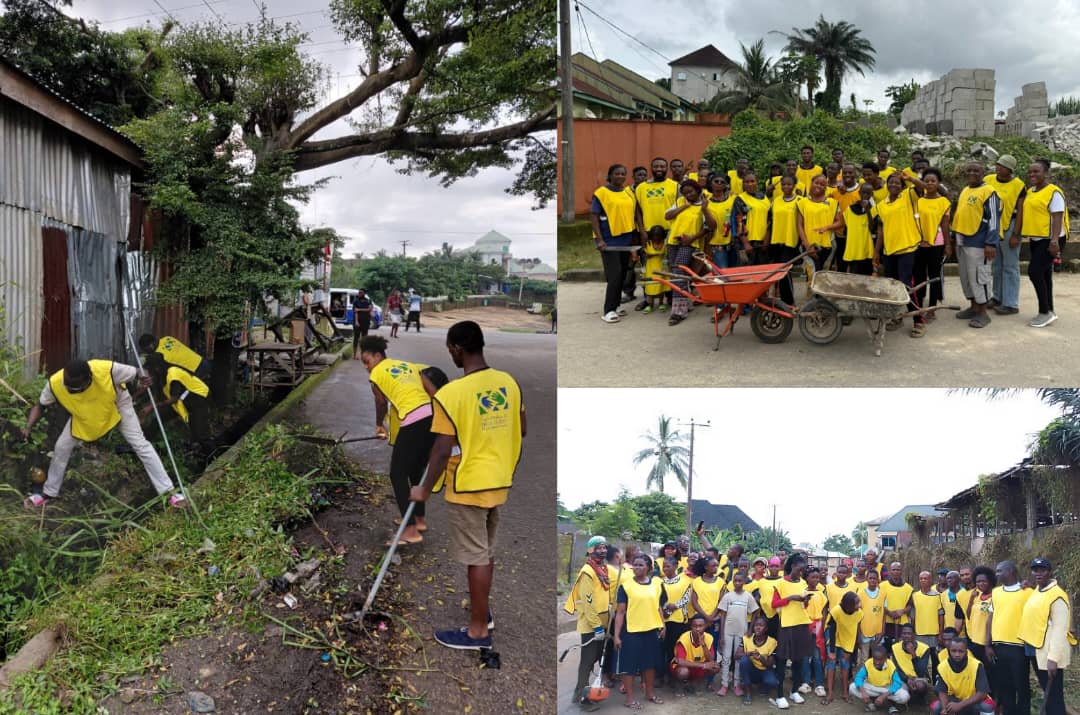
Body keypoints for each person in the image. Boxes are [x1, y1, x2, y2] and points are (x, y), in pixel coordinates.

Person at [410, 321, 524, 651]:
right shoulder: (509, 383)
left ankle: (476, 632)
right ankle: (482, 612)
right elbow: (522, 427)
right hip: (498, 482)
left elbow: (442, 449)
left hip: (467, 486)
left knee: (477, 558)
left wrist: (424, 490)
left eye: (450, 350)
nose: (451, 355)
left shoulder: (451, 394)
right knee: (484, 553)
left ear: (457, 349)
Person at [21, 359, 186, 509]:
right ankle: (49, 493)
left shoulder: (105, 369)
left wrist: (145, 376)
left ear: (89, 378)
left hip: (117, 404)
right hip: (85, 414)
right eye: (68, 386)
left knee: (140, 444)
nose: (70, 390)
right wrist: (28, 427)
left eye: (76, 387)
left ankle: (169, 493)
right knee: (61, 448)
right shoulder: (55, 383)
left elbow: (137, 371)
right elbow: (40, 406)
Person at [359, 335, 432, 545]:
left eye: (367, 361)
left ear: (378, 356)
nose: (366, 367)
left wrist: (379, 425)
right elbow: (429, 389)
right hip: (431, 416)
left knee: (397, 473)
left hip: (414, 419)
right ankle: (418, 520)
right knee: (415, 470)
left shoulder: (377, 374)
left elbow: (381, 403)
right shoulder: (407, 365)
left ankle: (410, 531)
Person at [565, 535, 618, 712]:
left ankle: (579, 692)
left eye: (604, 547)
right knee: (587, 661)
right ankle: (582, 697)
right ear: (590, 550)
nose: (602, 550)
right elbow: (587, 603)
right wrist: (596, 626)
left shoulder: (603, 570)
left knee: (596, 658)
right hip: (591, 623)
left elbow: (608, 592)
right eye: (598, 547)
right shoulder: (587, 572)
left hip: (604, 619)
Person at [1018, 558, 1075, 715]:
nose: (1038, 573)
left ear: (1049, 572)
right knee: (1047, 692)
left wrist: (1053, 659)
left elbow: (1060, 629)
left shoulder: (1057, 595)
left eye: (1042, 570)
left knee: (1053, 696)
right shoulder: (1039, 590)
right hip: (1035, 649)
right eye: (1035, 570)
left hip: (1048, 653)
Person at [950, 162, 1002, 329]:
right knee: (966, 276)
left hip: (979, 242)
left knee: (980, 277)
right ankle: (973, 306)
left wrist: (991, 243)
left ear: (984, 173)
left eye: (976, 170)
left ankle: (983, 313)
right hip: (962, 239)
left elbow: (994, 219)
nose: (971, 173)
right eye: (969, 170)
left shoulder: (990, 192)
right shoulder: (966, 189)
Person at [873, 173, 925, 337]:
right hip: (889, 250)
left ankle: (918, 320)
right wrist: (876, 252)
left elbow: (923, 187)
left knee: (906, 284)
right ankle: (897, 316)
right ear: (887, 185)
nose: (894, 185)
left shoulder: (908, 196)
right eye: (891, 183)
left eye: (897, 183)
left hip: (907, 248)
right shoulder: (882, 205)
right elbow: (881, 231)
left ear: (902, 186)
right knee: (892, 285)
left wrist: (910, 178)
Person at [612, 553, 666, 708]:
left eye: (641, 565)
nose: (637, 567)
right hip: (631, 632)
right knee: (629, 666)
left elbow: (658, 607)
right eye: (635, 564)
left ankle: (649, 693)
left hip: (651, 630)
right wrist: (616, 636)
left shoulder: (656, 584)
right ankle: (629, 699)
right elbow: (620, 612)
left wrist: (663, 625)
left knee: (649, 665)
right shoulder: (626, 586)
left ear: (649, 568)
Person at [591, 164, 639, 324]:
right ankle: (608, 311)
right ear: (610, 175)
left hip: (625, 239)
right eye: (617, 174)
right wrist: (599, 239)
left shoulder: (628, 193)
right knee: (615, 275)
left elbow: (634, 214)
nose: (620, 176)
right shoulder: (601, 193)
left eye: (623, 174)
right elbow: (594, 216)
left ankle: (616, 305)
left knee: (623, 273)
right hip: (608, 240)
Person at [140, 354, 212, 460]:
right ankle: (143, 442)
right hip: (181, 401)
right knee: (159, 418)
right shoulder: (160, 375)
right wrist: (148, 408)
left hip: (198, 397)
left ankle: (212, 456)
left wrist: (153, 407)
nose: (149, 373)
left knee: (199, 432)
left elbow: (174, 398)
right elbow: (158, 394)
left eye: (150, 369)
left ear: (156, 367)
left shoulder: (172, 374)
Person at [664, 180, 715, 326]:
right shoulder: (681, 201)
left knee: (678, 272)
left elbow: (709, 227)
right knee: (680, 274)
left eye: (691, 191)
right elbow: (668, 216)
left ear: (698, 191)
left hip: (690, 243)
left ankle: (678, 312)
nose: (688, 194)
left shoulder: (704, 204)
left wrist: (693, 237)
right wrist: (684, 206)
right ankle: (686, 303)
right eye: (685, 192)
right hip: (673, 242)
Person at [1021, 162, 1066, 327]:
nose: (1032, 174)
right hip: (1037, 238)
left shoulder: (1054, 192)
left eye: (1036, 171)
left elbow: (1057, 217)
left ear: (1046, 173)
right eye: (1030, 171)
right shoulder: (1030, 191)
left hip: (1051, 239)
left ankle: (1044, 311)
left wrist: (1054, 242)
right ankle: (1050, 310)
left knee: (1034, 272)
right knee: (1045, 275)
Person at [985, 560, 1031, 715]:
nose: (996, 574)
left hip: (1019, 647)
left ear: (1011, 571)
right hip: (999, 647)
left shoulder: (1027, 592)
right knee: (1004, 686)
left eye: (1000, 571)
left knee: (1021, 685)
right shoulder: (996, 592)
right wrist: (987, 645)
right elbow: (990, 618)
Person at [984, 155, 1026, 315]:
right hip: (994, 228)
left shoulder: (1018, 185)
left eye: (1003, 165)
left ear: (1010, 169)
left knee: (1010, 266)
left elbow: (1021, 211)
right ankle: (998, 297)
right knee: (996, 265)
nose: (998, 167)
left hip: (1010, 228)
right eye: (998, 164)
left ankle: (1011, 303)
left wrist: (1016, 234)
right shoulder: (988, 180)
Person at [771, 553, 814, 708]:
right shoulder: (781, 583)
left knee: (799, 659)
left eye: (803, 570)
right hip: (786, 625)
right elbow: (774, 604)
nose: (801, 573)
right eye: (799, 569)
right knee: (782, 660)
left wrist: (805, 601)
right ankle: (780, 695)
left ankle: (794, 690)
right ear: (792, 566)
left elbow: (804, 606)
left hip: (801, 624)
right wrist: (790, 598)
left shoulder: (803, 583)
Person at [914, 168, 952, 318]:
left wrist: (948, 245)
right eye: (927, 181)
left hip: (936, 244)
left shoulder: (944, 202)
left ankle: (932, 307)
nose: (929, 183)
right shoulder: (918, 201)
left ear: (938, 183)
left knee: (934, 276)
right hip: (918, 244)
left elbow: (945, 225)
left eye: (933, 181)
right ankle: (920, 302)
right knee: (919, 276)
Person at [716, 570, 759, 696]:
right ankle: (724, 684)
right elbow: (722, 615)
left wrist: (750, 629)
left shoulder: (748, 596)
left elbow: (756, 611)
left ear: (744, 582)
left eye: (740, 581)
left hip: (742, 632)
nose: (737, 583)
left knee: (738, 658)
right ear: (732, 582)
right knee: (726, 658)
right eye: (735, 580)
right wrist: (722, 634)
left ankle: (737, 684)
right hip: (728, 632)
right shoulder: (728, 596)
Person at [766, 175, 803, 306]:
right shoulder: (776, 201)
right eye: (783, 185)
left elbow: (802, 223)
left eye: (789, 184)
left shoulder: (800, 200)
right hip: (776, 242)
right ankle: (780, 301)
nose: (786, 187)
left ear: (794, 185)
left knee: (785, 273)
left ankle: (788, 302)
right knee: (778, 273)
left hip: (790, 242)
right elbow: (770, 221)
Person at [932, 639, 995, 715]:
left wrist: (960, 705)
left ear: (966, 651)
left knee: (987, 706)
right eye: (953, 651)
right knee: (937, 706)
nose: (957, 654)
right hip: (955, 700)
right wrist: (945, 709)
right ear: (949, 651)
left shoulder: (977, 665)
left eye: (960, 651)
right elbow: (942, 691)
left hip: (973, 701)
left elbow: (982, 693)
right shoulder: (942, 667)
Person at [659, 554, 694, 687]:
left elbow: (687, 598)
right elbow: (659, 598)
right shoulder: (660, 582)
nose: (665, 569)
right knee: (664, 649)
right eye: (664, 566)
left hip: (679, 620)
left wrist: (675, 606)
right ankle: (663, 675)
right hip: (664, 620)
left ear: (675, 566)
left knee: (676, 649)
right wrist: (666, 611)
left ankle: (676, 676)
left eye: (668, 566)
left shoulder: (685, 581)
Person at [798, 174, 841, 274]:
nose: (818, 186)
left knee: (824, 273)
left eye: (822, 184)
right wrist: (807, 245)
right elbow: (799, 225)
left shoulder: (832, 202)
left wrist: (826, 227)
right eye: (816, 183)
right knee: (811, 273)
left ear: (825, 188)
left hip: (828, 245)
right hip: (809, 245)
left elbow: (840, 222)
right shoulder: (802, 202)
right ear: (811, 183)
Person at [827, 590, 864, 704]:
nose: (859, 605)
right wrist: (832, 651)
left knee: (845, 665)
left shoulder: (859, 613)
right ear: (848, 605)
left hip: (847, 641)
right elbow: (832, 632)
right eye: (856, 603)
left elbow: (854, 631)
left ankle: (845, 693)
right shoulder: (836, 611)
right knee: (831, 664)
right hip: (835, 640)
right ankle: (830, 693)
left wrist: (850, 649)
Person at [850, 643, 910, 712]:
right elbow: (859, 677)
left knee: (905, 696)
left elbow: (897, 683)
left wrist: (884, 696)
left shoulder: (890, 665)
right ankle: (870, 702)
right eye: (875, 659)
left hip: (887, 689)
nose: (877, 662)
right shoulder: (868, 663)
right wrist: (863, 692)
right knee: (852, 687)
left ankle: (889, 703)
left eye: (880, 660)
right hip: (872, 687)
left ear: (885, 658)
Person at [670, 612, 719, 696]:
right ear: (691, 626)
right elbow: (680, 661)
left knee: (715, 667)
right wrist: (703, 666)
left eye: (700, 626)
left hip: (695, 665)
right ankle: (678, 685)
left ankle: (694, 684)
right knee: (683, 671)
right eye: (695, 626)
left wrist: (703, 645)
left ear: (705, 626)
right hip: (678, 664)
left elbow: (711, 660)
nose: (697, 629)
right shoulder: (684, 638)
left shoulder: (709, 638)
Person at [738, 615, 781, 706]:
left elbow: (769, 664)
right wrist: (748, 653)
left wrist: (760, 658)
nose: (758, 627)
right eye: (756, 625)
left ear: (766, 629)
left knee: (773, 682)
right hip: (752, 670)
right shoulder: (746, 638)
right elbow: (736, 655)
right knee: (744, 660)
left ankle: (764, 685)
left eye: (761, 625)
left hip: (765, 670)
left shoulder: (772, 642)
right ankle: (748, 692)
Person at [138, 333, 211, 382]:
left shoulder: (159, 354)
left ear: (151, 345)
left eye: (145, 350)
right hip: (202, 361)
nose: (146, 352)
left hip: (195, 370)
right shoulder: (167, 338)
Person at [731, 172, 770, 265]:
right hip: (747, 243)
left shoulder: (764, 198)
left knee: (762, 272)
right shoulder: (740, 199)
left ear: (757, 182)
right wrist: (745, 243)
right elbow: (738, 221)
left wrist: (766, 240)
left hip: (762, 243)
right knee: (747, 273)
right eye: (746, 182)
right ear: (743, 184)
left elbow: (769, 220)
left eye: (752, 181)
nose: (750, 184)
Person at [892, 623, 935, 704]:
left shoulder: (924, 648)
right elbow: (897, 669)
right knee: (896, 689)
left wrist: (913, 654)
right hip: (903, 677)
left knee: (920, 686)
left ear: (914, 635)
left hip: (918, 677)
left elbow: (921, 672)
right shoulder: (895, 647)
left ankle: (919, 698)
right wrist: (907, 679)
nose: (906, 636)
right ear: (901, 635)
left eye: (909, 633)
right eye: (904, 633)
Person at [841, 183, 878, 276]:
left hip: (866, 248)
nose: (865, 195)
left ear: (871, 195)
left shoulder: (874, 209)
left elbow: (872, 228)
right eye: (863, 193)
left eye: (868, 193)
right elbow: (846, 226)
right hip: (853, 247)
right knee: (854, 274)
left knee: (866, 275)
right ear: (859, 193)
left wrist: (868, 211)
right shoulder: (850, 209)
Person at [704, 174, 737, 269]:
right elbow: (709, 226)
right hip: (717, 245)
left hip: (733, 244)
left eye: (722, 182)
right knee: (722, 274)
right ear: (711, 184)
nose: (719, 183)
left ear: (726, 185)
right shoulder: (706, 202)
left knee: (735, 274)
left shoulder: (733, 199)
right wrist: (705, 209)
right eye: (716, 181)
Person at [856, 568, 887, 669]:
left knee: (878, 657)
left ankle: (876, 679)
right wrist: (859, 633)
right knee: (864, 658)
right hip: (865, 631)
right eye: (870, 578)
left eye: (875, 578)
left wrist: (882, 631)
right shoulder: (860, 593)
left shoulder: (882, 594)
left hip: (877, 632)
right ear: (866, 579)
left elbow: (883, 614)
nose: (872, 580)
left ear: (878, 579)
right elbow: (857, 616)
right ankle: (862, 680)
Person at [963, 566, 994, 664]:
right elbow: (968, 616)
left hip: (987, 642)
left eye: (984, 581)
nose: (981, 584)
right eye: (978, 582)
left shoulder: (995, 596)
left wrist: (988, 644)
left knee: (990, 671)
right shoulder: (977, 596)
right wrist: (971, 599)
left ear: (990, 581)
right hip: (975, 641)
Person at [881, 562, 913, 645]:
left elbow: (910, 605)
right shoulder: (882, 586)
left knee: (900, 649)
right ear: (890, 571)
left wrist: (902, 611)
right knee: (886, 648)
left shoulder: (908, 588)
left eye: (898, 570)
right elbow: (878, 603)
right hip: (885, 622)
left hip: (901, 623)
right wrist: (889, 612)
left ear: (901, 571)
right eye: (893, 570)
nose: (896, 572)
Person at [910, 570, 944, 648]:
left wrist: (940, 634)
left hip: (934, 634)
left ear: (930, 580)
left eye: (925, 578)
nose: (923, 580)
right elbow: (912, 617)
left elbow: (941, 616)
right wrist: (912, 633)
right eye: (921, 579)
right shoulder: (915, 596)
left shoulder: (938, 596)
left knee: (935, 658)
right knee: (922, 658)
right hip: (919, 634)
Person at [640, 226, 668, 314]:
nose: (656, 239)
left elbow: (667, 255)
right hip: (650, 269)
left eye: (658, 237)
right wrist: (646, 256)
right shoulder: (647, 243)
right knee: (650, 287)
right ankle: (650, 304)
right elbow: (642, 254)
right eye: (654, 237)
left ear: (662, 236)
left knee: (661, 286)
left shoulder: (665, 244)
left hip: (661, 268)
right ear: (651, 236)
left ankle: (661, 303)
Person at [351, 288, 373, 358]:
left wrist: (360, 309)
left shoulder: (368, 300)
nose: (359, 294)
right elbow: (355, 311)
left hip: (366, 321)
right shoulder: (356, 301)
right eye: (359, 292)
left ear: (364, 293)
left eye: (361, 292)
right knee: (356, 338)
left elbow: (370, 309)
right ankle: (354, 354)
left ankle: (362, 353)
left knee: (364, 338)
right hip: (357, 321)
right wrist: (356, 321)